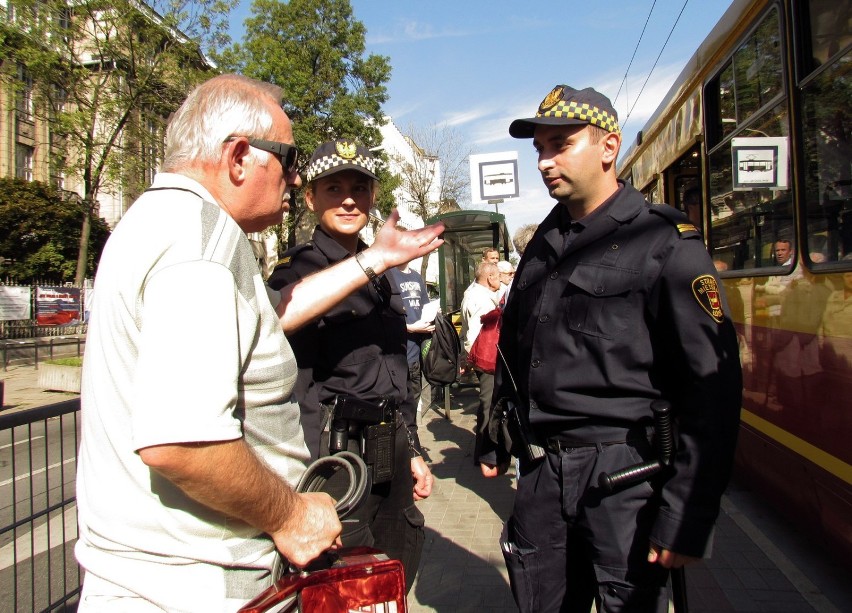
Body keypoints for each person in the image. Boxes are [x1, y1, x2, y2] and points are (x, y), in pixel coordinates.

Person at [75, 75, 443, 611]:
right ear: (240, 157)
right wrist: (290, 514)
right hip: (196, 586)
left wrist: (377, 260)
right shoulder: (200, 244)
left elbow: (272, 316)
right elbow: (181, 441)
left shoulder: (166, 222)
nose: (294, 179)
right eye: (290, 161)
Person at [478, 84, 742, 612]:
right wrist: (495, 433)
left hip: (624, 475)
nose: (546, 161)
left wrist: (685, 514)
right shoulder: (542, 246)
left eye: (560, 144)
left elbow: (712, 387)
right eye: (540, 150)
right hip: (541, 472)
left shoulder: (663, 241)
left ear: (608, 146)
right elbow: (518, 344)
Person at [267, 139, 434, 593]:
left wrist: (413, 449)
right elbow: (283, 340)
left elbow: (395, 372)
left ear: (373, 197)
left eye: (359, 188)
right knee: (346, 581)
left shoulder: (384, 270)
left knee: (396, 562)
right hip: (337, 455)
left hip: (388, 448)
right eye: (333, 188)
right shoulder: (298, 271)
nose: (347, 199)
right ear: (310, 198)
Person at [460, 261, 501, 464]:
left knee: (485, 403)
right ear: (490, 277)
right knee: (487, 404)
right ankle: (485, 453)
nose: (501, 280)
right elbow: (475, 333)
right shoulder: (481, 299)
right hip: (486, 359)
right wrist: (470, 359)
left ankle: (482, 450)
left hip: (481, 358)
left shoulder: (473, 293)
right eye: (499, 276)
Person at [390, 260, 435, 428]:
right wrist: (410, 328)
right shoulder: (388, 275)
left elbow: (425, 306)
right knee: (399, 400)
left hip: (416, 352)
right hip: (398, 352)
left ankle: (411, 437)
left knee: (413, 399)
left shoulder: (416, 276)